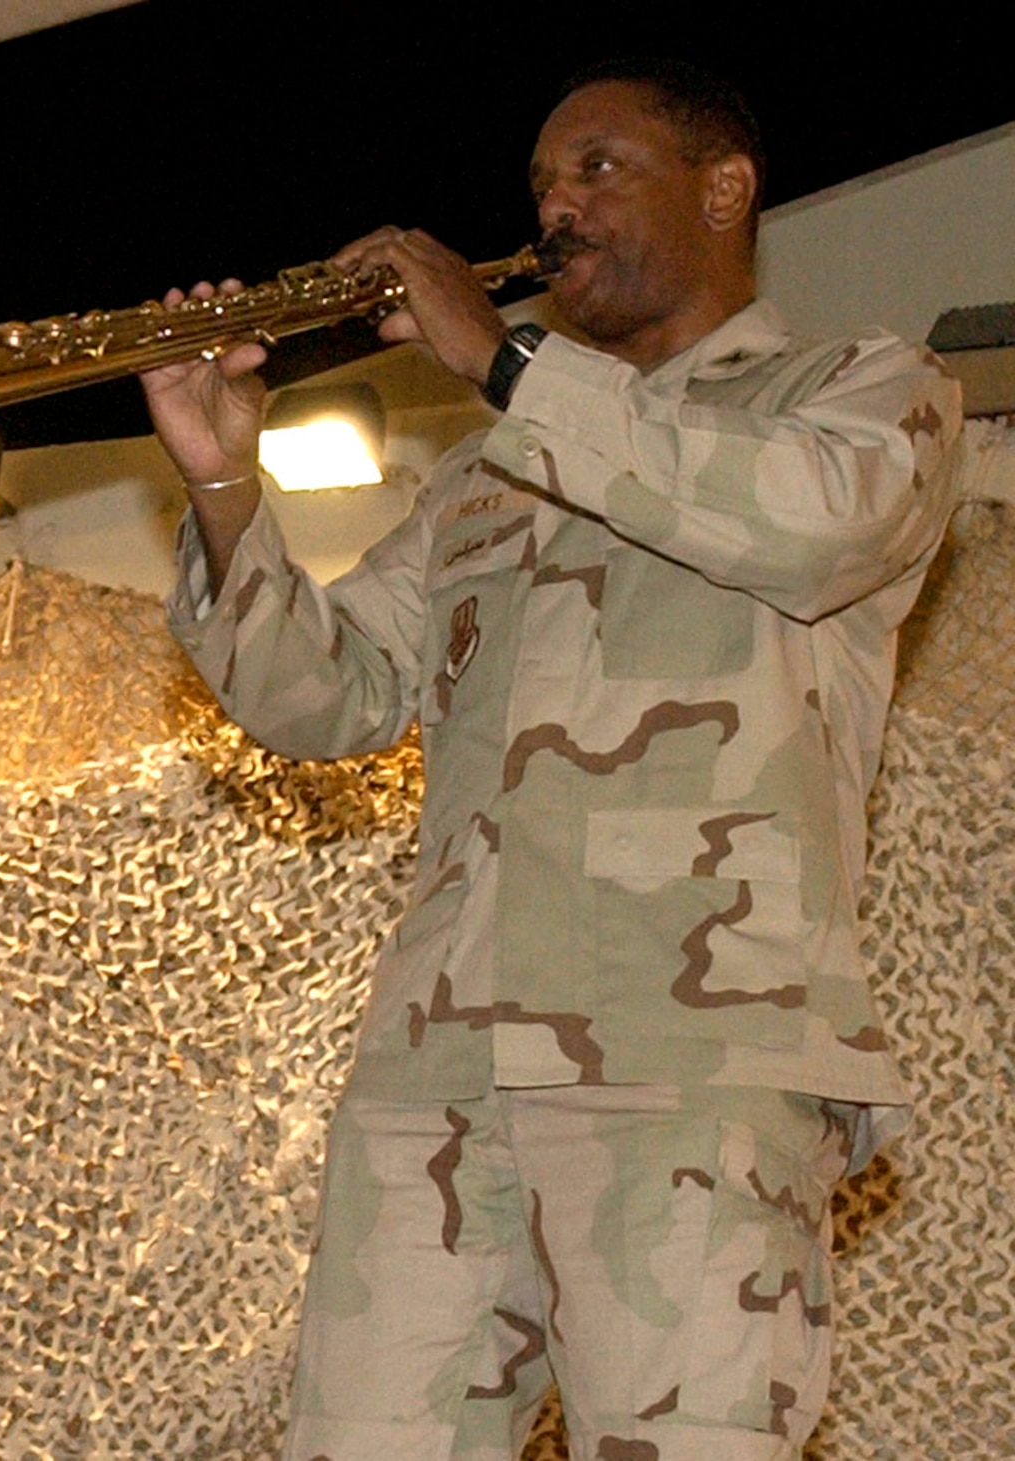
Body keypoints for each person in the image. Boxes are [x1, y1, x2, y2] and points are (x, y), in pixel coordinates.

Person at [142, 59, 959, 1461]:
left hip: (693, 1060)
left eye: (597, 170)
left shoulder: (860, 390)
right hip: (440, 1069)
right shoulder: (484, 478)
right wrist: (225, 487)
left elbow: (820, 528)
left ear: (725, 188)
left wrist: (507, 363)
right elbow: (324, 693)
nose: (556, 208)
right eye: (539, 186)